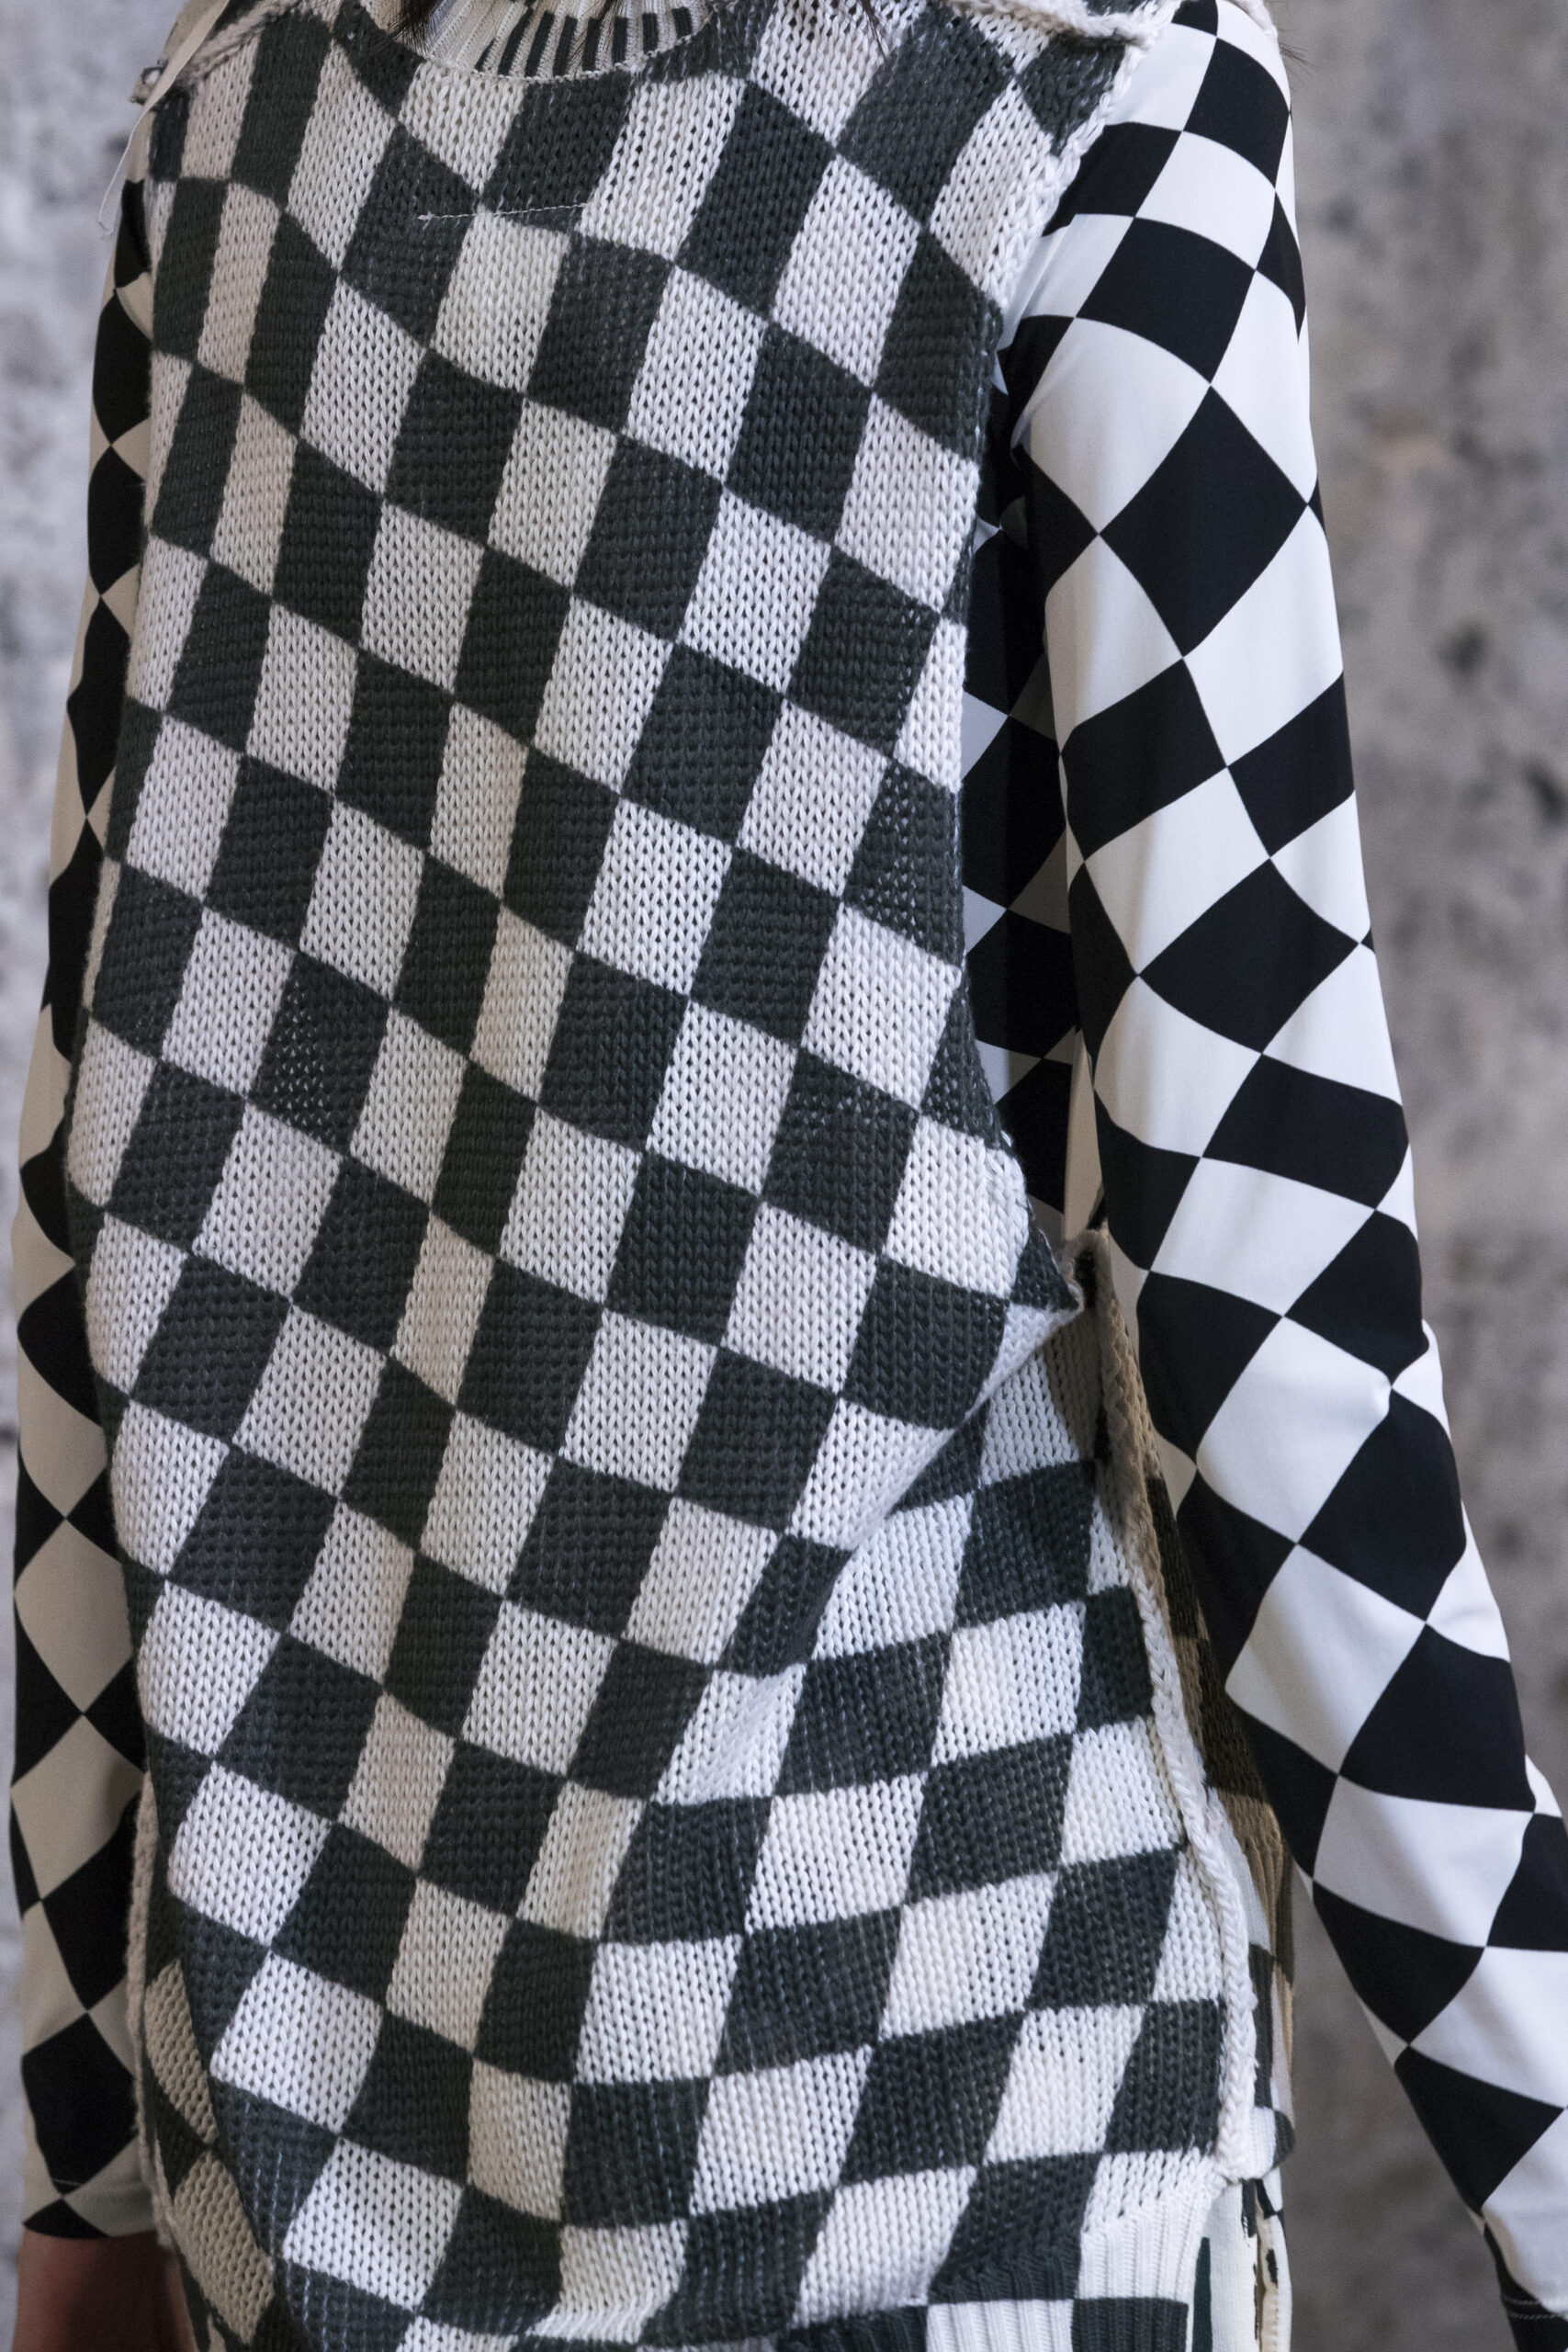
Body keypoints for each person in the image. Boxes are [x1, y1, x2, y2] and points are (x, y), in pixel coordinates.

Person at [11, 0, 1568, 2343]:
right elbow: (1258, 1293)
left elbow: (94, 1224)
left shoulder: (231, 104)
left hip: (310, 2143)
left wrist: (83, 2156)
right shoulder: (1084, 66)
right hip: (968, 2126)